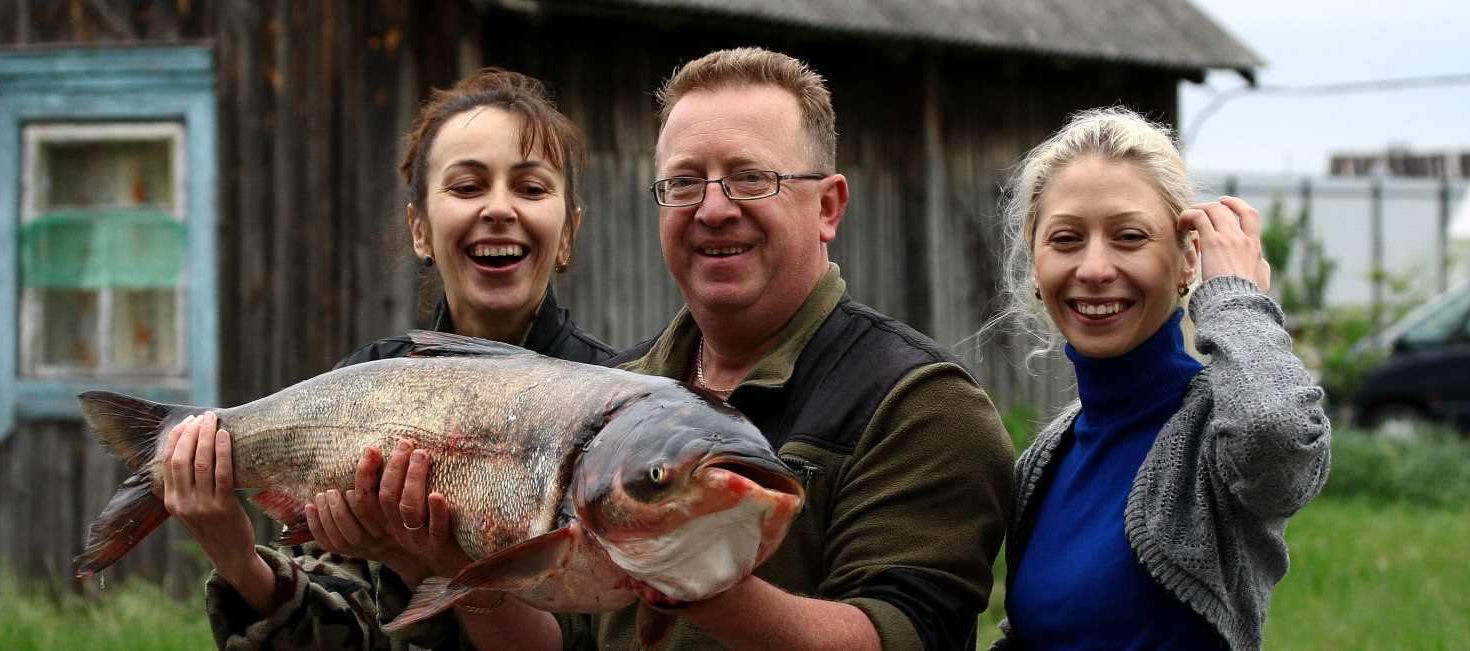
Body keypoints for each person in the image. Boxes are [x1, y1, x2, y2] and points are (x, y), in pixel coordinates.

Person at [405, 47, 1016, 651]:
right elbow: (566, 638)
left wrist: (702, 584)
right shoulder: (617, 394)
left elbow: (902, 634)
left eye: (752, 178)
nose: (714, 209)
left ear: (827, 207)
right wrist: (465, 574)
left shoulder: (922, 408)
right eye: (685, 181)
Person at [159, 68, 615, 650]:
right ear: (420, 228)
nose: (499, 208)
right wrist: (237, 558)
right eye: (468, 186)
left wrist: (421, 562)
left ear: (569, 233)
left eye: (530, 188)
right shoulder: (356, 392)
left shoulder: (617, 407)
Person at [987, 108, 1331, 651]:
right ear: (1035, 264)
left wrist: (1237, 298)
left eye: (1129, 236)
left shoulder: (1214, 433)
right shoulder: (1043, 462)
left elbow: (1279, 440)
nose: (1095, 268)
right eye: (1066, 239)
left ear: (1187, 261)